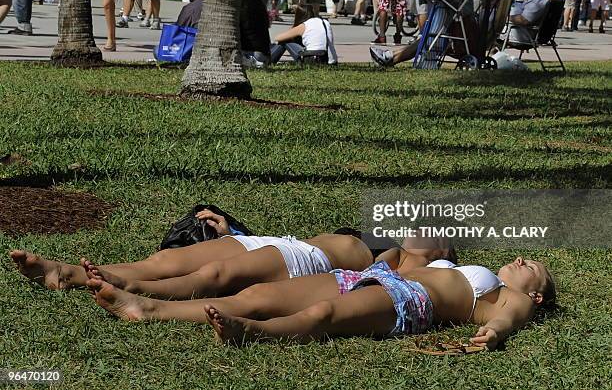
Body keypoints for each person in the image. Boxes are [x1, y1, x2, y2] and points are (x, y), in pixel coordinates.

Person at [86, 248, 555, 351]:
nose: (520, 259)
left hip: (411, 303)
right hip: (373, 275)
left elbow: (510, 318)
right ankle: (147, 307)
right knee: (258, 293)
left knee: (323, 315)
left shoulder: (516, 299)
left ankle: (256, 333)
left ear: (535, 291)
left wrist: (493, 332)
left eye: (531, 264)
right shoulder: (486, 273)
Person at [10, 209, 452, 299]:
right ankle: (63, 271)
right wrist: (237, 229)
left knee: (218, 274)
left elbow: (376, 286)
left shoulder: (403, 263)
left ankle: (129, 287)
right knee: (167, 260)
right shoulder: (386, 241)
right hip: (280, 243)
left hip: (308, 264)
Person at [270, 0, 337, 65]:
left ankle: (269, 60)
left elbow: (278, 38)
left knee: (286, 40)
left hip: (314, 60)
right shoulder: (324, 22)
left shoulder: (304, 25)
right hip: (331, 60)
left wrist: (293, 28)